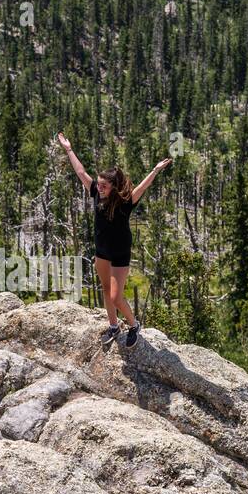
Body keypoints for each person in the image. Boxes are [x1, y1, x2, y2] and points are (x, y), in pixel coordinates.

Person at [57, 132, 171, 345]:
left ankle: (133, 325)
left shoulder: (125, 203)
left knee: (116, 297)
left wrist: (155, 170)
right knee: (105, 289)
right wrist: (69, 149)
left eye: (103, 186)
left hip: (119, 253)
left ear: (113, 188)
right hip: (101, 252)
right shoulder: (95, 193)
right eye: (98, 184)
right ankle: (113, 326)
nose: (98, 188)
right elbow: (81, 172)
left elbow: (142, 187)